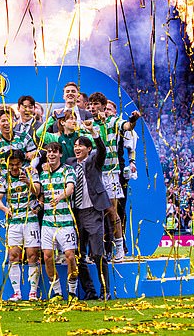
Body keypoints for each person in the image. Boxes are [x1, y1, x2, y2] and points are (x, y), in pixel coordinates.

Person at [89, 92, 141, 261]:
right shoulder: (88, 125)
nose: (92, 107)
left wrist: (133, 120)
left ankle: (120, 248)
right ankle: (96, 252)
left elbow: (127, 126)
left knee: (112, 211)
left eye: (96, 104)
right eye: (90, 104)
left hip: (110, 174)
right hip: (94, 174)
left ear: (103, 106)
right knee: (94, 214)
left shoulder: (113, 121)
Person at [66, 122, 111, 301]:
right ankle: (90, 291)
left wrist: (94, 133)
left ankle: (105, 291)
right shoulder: (69, 163)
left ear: (88, 149)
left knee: (97, 253)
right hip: (75, 214)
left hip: (93, 211)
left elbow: (102, 150)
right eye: (75, 146)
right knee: (78, 256)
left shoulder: (94, 160)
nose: (77, 148)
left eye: (81, 146)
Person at [0, 150, 42, 301]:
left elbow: (38, 192)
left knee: (32, 255)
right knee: (13, 256)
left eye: (17, 164)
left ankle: (33, 292)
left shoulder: (31, 173)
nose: (15, 168)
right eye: (12, 165)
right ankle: (17, 293)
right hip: (14, 221)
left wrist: (27, 182)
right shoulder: (4, 178)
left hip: (30, 220)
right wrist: (4, 208)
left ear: (23, 163)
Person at [39, 142, 78, 301]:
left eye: (54, 152)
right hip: (48, 222)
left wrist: (60, 196)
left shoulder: (68, 170)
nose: (51, 154)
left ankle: (72, 292)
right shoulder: (43, 174)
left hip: (66, 222)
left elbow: (70, 189)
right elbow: (40, 194)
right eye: (49, 152)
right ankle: (57, 293)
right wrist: (39, 203)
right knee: (47, 257)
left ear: (60, 154)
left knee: (70, 256)